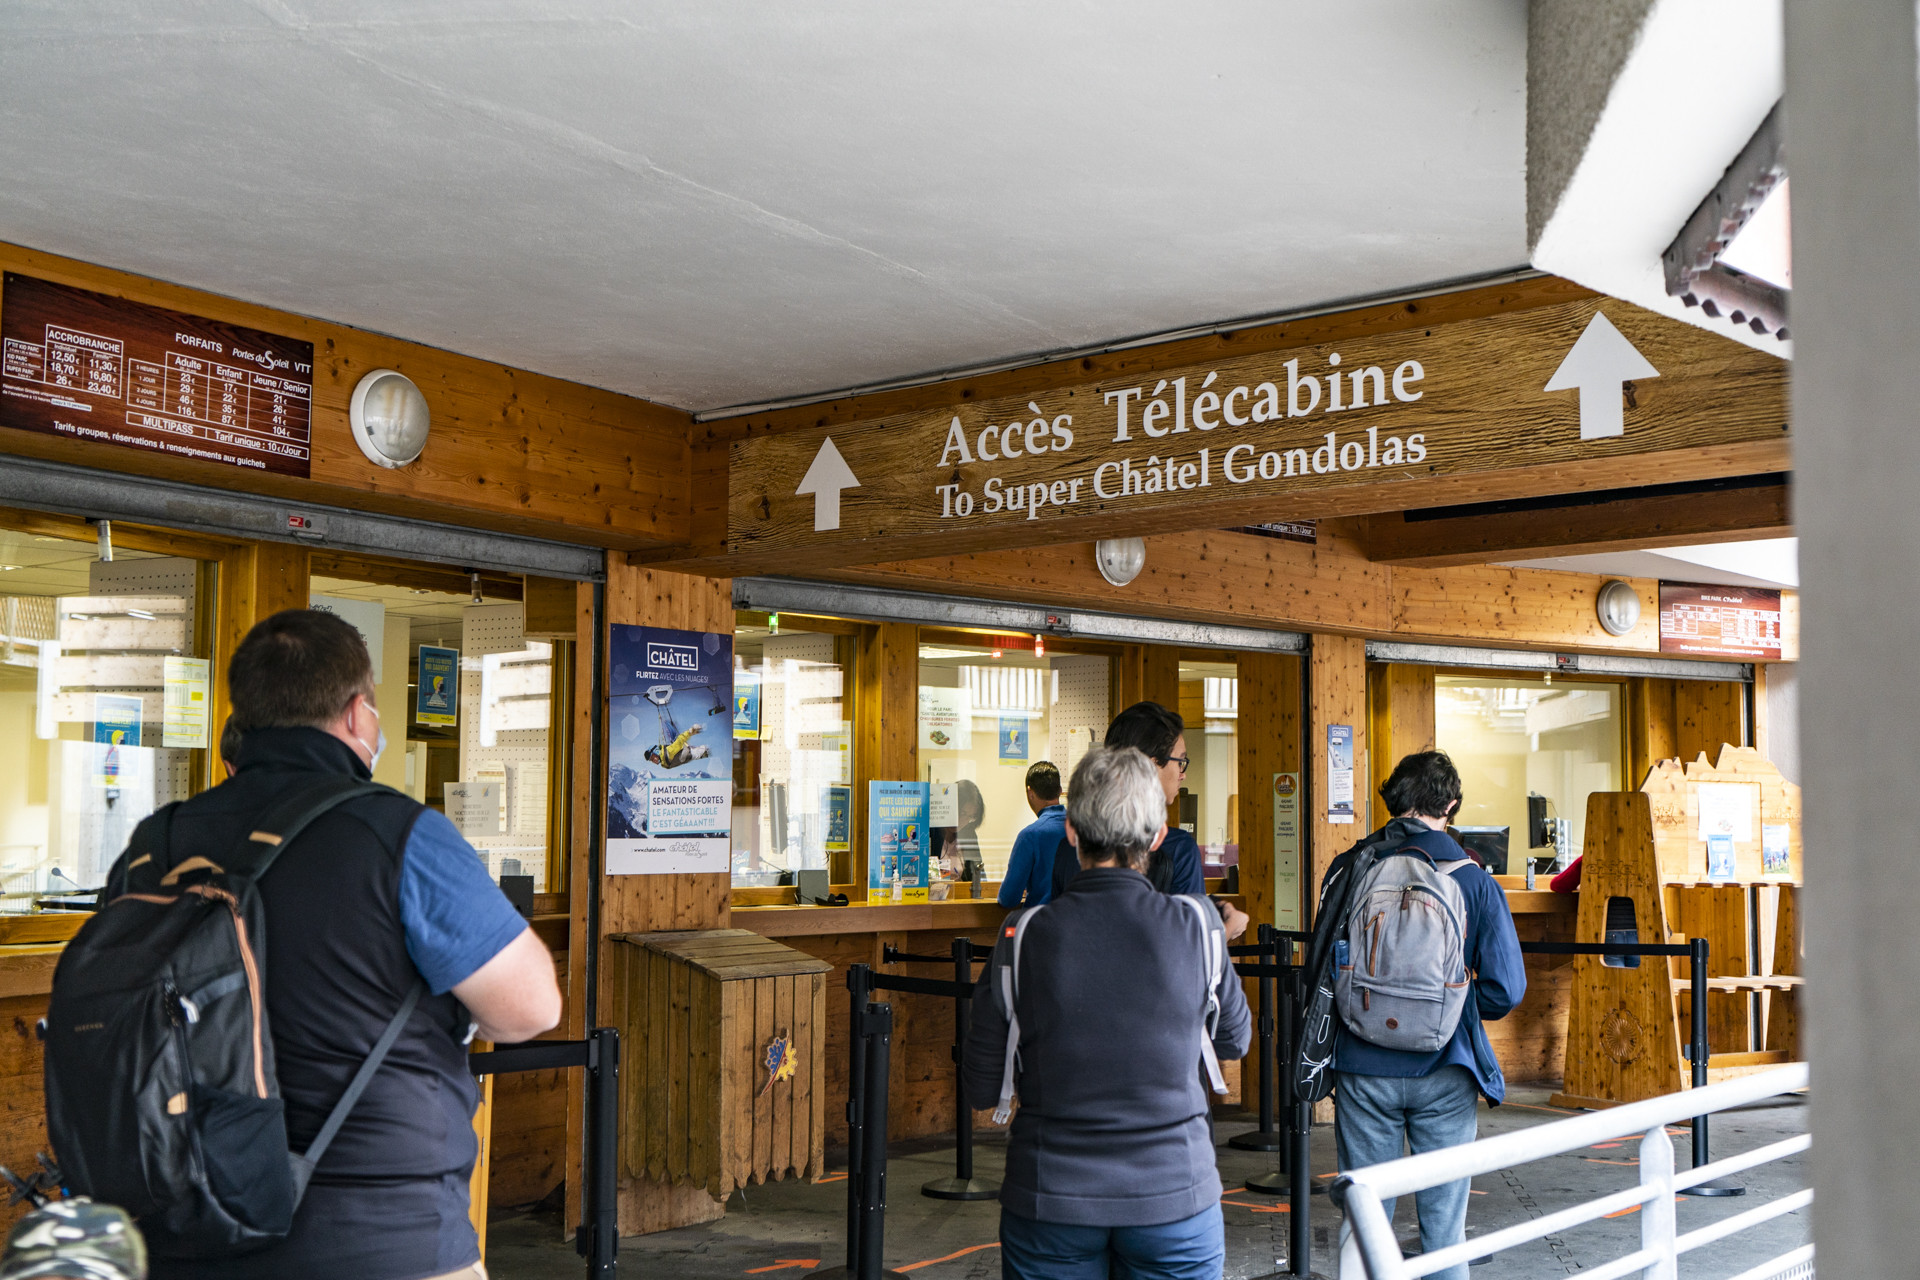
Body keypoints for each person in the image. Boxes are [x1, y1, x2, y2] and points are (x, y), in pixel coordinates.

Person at [121, 610, 562, 1280]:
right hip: (382, 1235)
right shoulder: (400, 835)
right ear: (358, 715)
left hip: (184, 1226)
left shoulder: (157, 842)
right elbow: (531, 1009)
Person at [963, 747, 1251, 1280]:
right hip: (1176, 1198)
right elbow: (1234, 1040)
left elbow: (982, 1086)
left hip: (1051, 1198)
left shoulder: (1022, 935)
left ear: (1071, 831)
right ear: (1159, 836)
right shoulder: (1199, 926)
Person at [1324, 751, 1526, 1280]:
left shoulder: (1350, 867)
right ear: (1451, 805)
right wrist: (1451, 1007)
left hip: (1362, 1064)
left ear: (1393, 799)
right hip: (1445, 1067)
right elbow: (1506, 989)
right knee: (1444, 1231)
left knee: (1364, 1224)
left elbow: (1325, 966)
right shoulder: (1474, 879)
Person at [1051, 702, 1250, 940]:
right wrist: (1226, 931)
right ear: (1151, 763)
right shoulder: (1178, 849)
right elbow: (1189, 946)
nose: (1183, 773)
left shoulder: (1068, 846)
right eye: (1180, 761)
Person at [998, 761, 1065, 906]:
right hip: (1082, 923)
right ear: (1060, 790)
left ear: (1030, 792)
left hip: (1043, 923)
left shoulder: (1030, 836)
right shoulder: (1084, 829)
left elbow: (1008, 898)